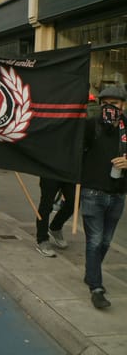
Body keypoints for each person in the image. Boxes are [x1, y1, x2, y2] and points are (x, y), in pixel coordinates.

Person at [80, 84, 127, 309]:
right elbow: (73, 148)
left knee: (106, 241)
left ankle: (91, 272)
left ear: (123, 105)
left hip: (118, 195)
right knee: (95, 240)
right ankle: (96, 288)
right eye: (105, 103)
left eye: (115, 104)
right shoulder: (91, 125)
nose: (110, 107)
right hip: (92, 193)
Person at [33, 178, 75, 258]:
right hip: (49, 172)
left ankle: (55, 227)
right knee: (46, 204)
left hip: (69, 171)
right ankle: (42, 239)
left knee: (73, 202)